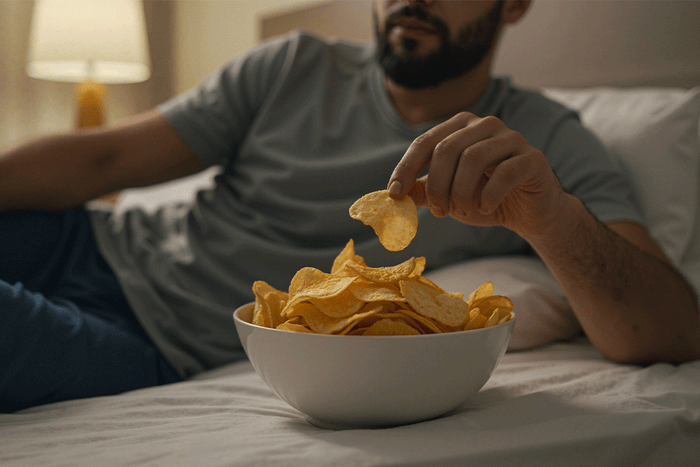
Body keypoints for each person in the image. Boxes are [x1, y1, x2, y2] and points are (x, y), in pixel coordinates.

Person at [1, 0, 698, 412]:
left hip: (150, 344)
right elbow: (106, 159)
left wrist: (552, 216)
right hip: (81, 238)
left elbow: (666, 332)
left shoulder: (540, 141)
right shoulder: (291, 63)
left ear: (514, 4)